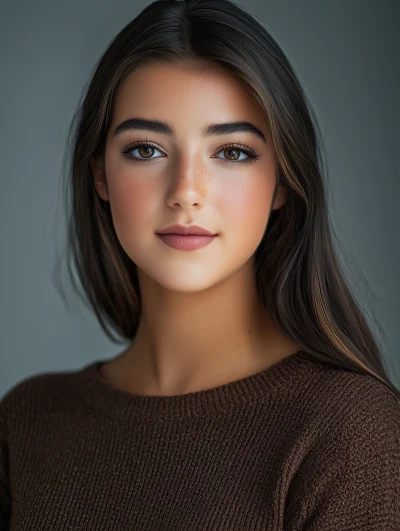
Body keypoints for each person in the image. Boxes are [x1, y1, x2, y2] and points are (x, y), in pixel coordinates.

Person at [1, 0, 399, 529]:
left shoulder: (350, 432)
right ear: (99, 174)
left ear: (281, 181)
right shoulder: (27, 422)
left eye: (232, 152)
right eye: (146, 150)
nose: (186, 193)